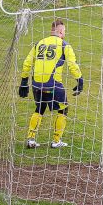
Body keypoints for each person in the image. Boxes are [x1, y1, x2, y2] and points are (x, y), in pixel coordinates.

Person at [19, 19, 83, 149]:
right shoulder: (64, 45)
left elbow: (27, 63)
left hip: (36, 84)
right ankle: (56, 141)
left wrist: (24, 82)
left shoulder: (39, 44)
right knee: (63, 108)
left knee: (39, 109)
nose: (64, 33)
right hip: (53, 84)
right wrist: (80, 80)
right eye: (64, 31)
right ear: (60, 31)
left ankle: (31, 139)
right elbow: (72, 65)